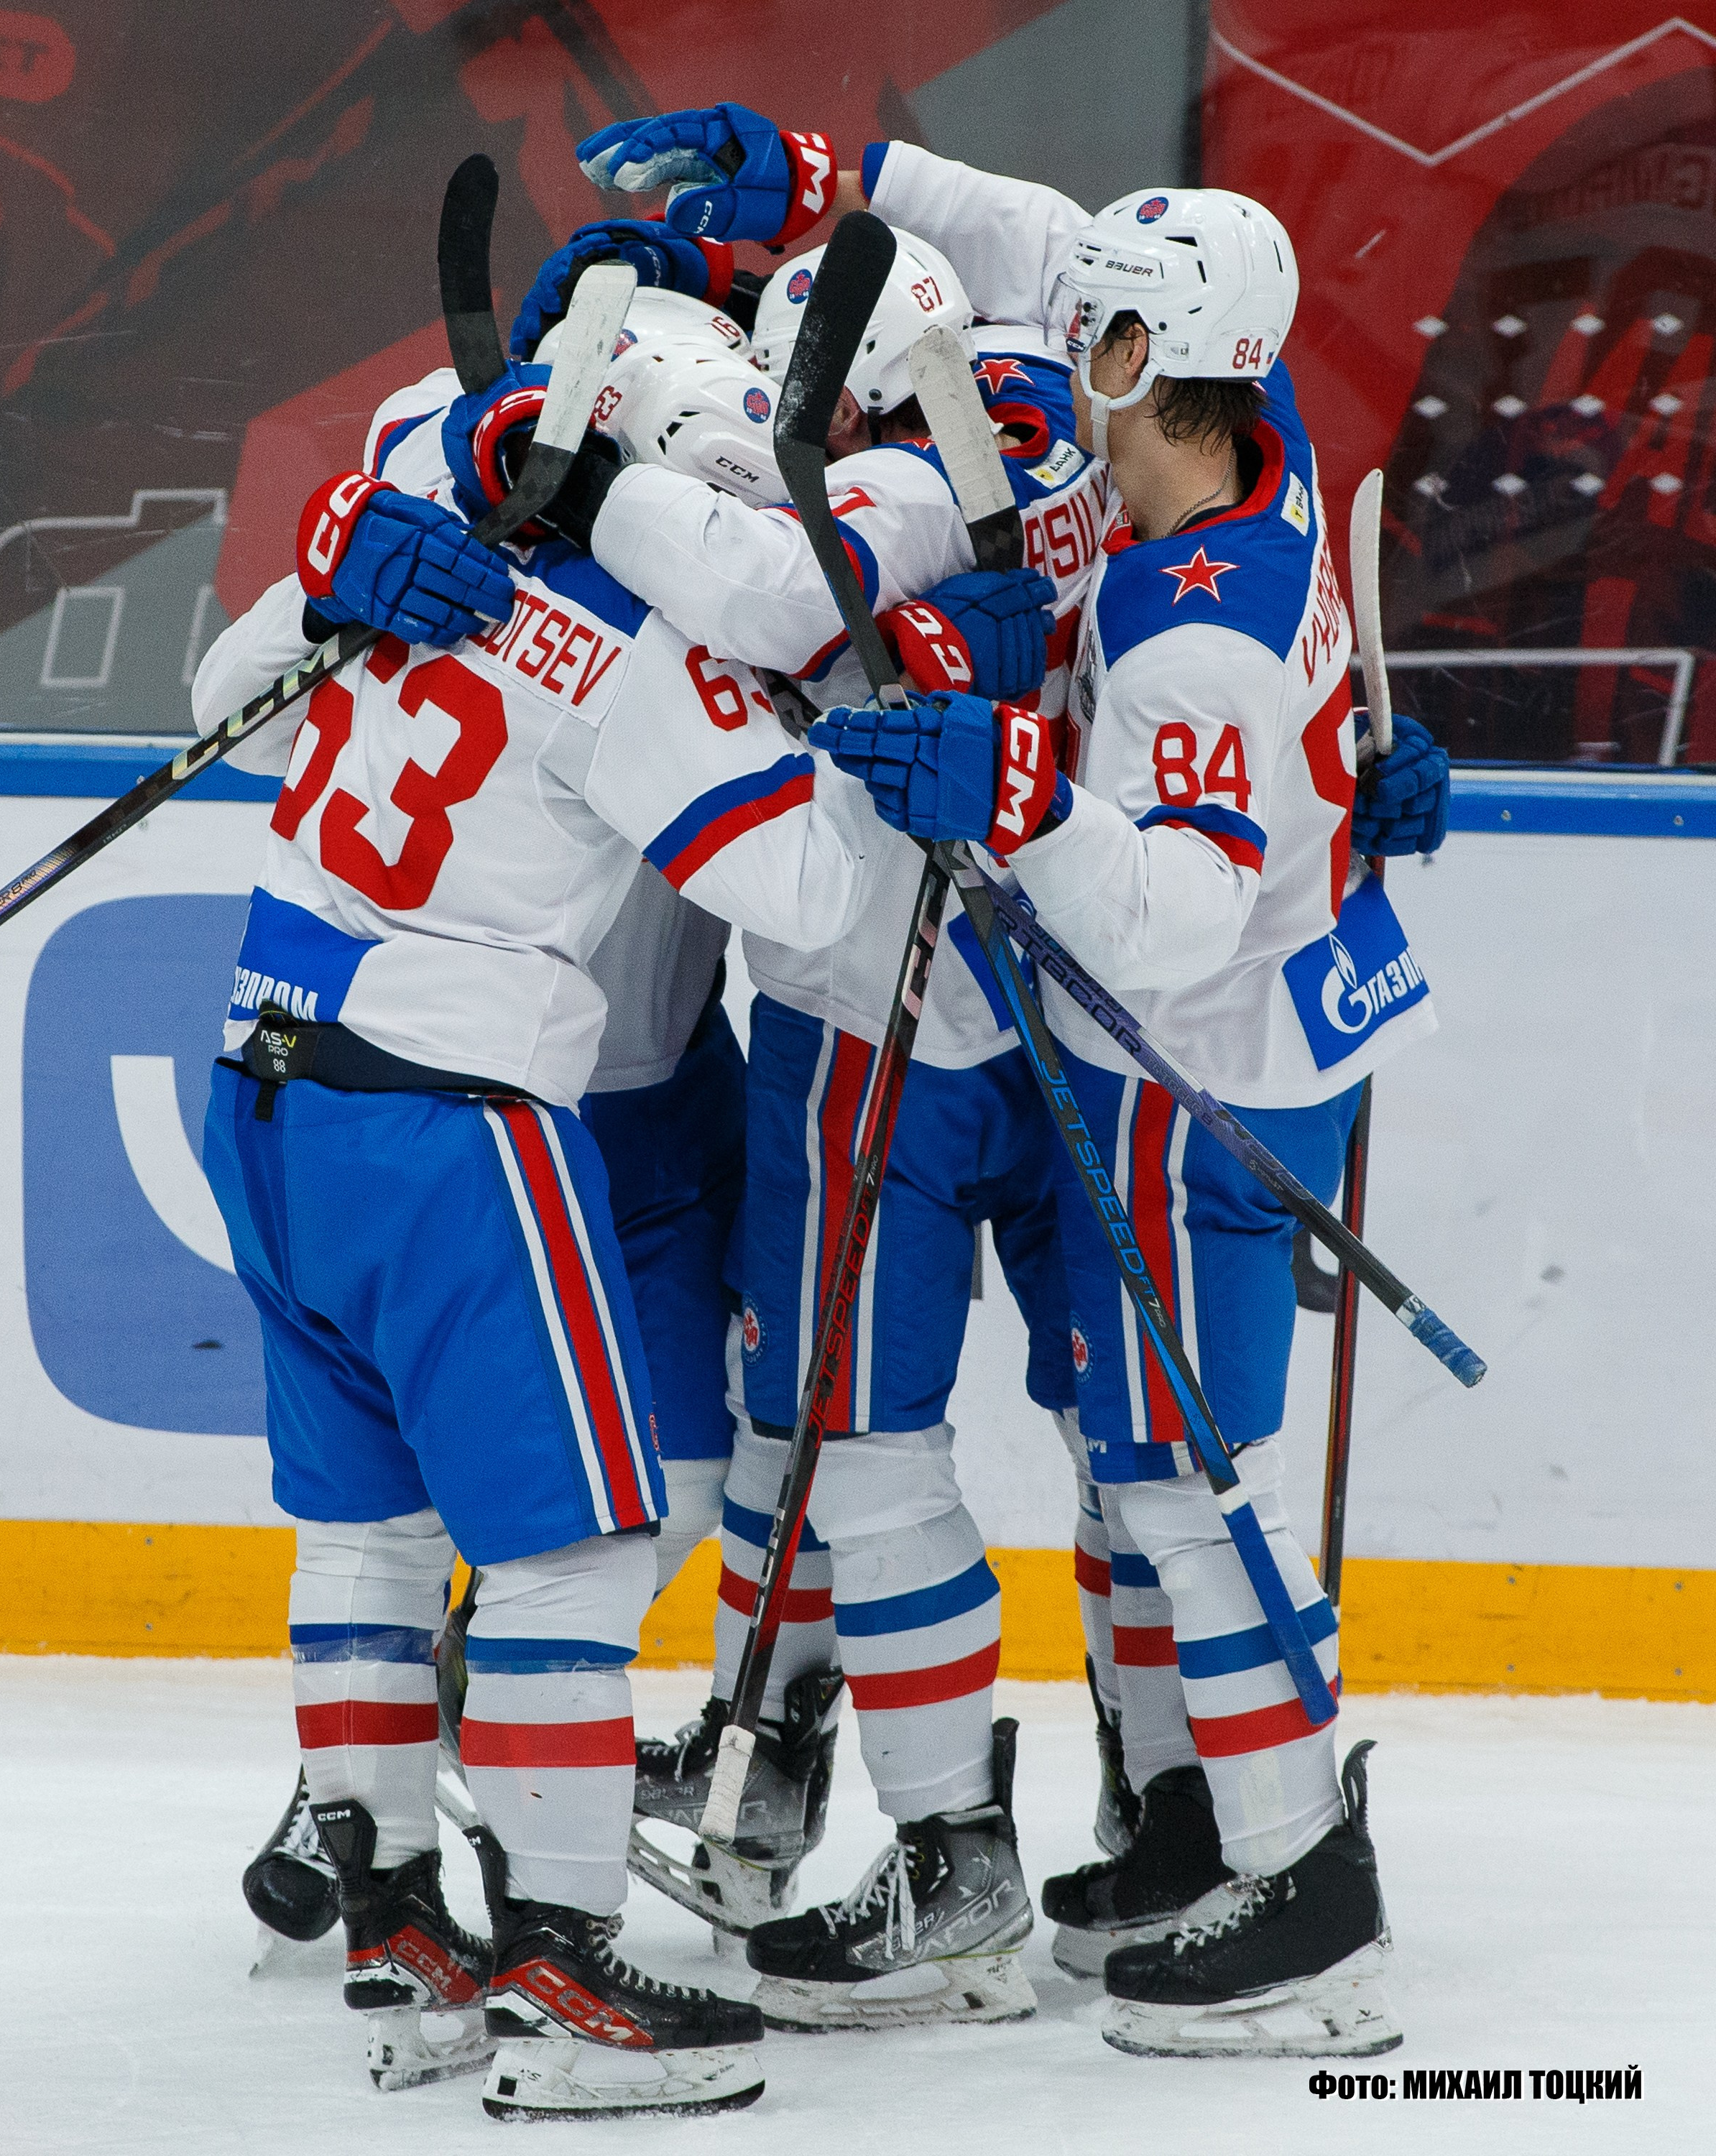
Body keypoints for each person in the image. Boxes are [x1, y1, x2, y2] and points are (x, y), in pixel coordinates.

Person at [609, 108, 1445, 2058]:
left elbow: (1163, 908)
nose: (1063, 349)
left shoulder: (1183, 629)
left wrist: (1019, 789)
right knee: (1143, 1467)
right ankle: (1185, 1834)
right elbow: (1046, 228)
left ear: (1157, 360)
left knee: (1167, 1473)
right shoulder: (1249, 465)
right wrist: (846, 162)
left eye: (1100, 337)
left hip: (1158, 1062)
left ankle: (1293, 1879)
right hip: (1185, 1052)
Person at [193, 313, 891, 2116]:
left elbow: (226, 699)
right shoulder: (637, 652)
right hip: (451, 1117)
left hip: (264, 1077)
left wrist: (333, 535)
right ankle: (567, 1974)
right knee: (575, 1556)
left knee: (373, 1537)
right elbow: (808, 892)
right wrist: (874, 722)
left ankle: (397, 1932)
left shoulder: (418, 499)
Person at [506, 189, 1105, 2027]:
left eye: (801, 416)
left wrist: (559, 465)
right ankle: (807, 1756)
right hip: (1013, 1019)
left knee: (862, 1448)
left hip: (886, 1043)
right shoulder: (1020, 422)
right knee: (853, 1429)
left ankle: (957, 1864)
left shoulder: (904, 479)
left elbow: (769, 590)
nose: (789, 452)